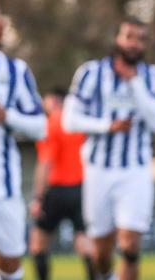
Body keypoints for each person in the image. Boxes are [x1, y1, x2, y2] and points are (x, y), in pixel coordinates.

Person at [63, 19, 155, 280]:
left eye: (140, 38)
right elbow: (70, 120)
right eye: (129, 37)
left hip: (136, 169)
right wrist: (107, 126)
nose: (134, 43)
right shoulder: (91, 73)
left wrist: (134, 83)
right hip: (99, 170)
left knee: (130, 243)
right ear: (117, 39)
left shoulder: (154, 77)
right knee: (101, 250)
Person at [0, 0, 47, 280]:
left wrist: (8, 117)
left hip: (2, 186)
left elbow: (42, 127)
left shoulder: (15, 72)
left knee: (10, 266)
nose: (0, 22)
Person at [30, 88, 94, 280]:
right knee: (84, 241)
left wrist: (38, 197)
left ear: (55, 101)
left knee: (38, 242)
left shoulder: (52, 124)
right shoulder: (79, 124)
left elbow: (45, 162)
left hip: (56, 189)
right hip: (81, 189)